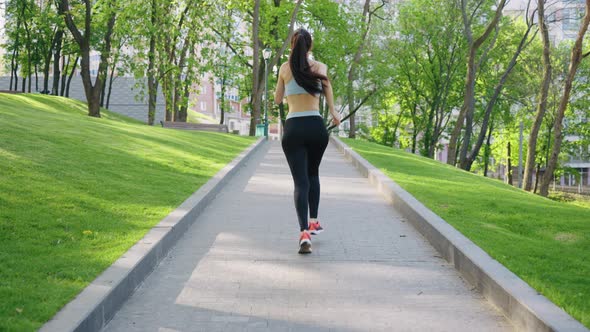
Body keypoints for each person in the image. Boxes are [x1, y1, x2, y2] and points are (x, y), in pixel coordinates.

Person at [274, 28, 341, 254]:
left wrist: (287, 90)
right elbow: (329, 91)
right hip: (316, 127)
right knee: (313, 174)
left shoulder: (284, 69)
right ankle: (314, 221)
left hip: (293, 128)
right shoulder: (320, 67)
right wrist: (334, 113)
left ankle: (304, 233)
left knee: (300, 182)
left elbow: (277, 99)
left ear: (292, 46)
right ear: (309, 46)